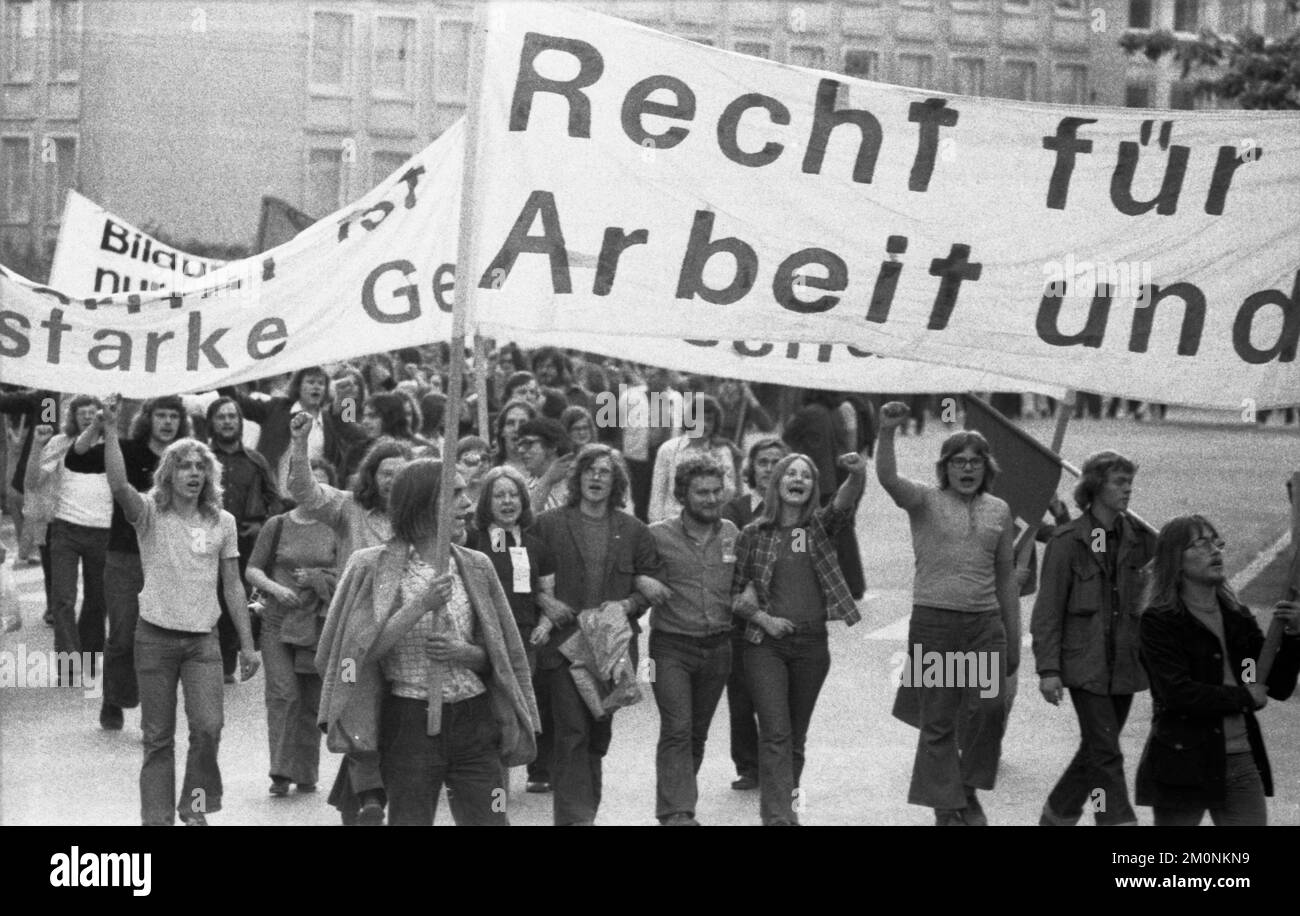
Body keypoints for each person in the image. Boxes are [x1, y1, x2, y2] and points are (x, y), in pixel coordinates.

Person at [315, 459, 540, 825]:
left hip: (474, 720)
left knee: (492, 819)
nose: (468, 504)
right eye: (454, 494)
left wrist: (469, 654)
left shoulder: (478, 565)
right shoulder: (371, 566)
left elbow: (502, 654)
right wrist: (418, 607)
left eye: (466, 493)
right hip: (409, 723)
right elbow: (355, 657)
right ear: (422, 504)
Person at [101, 395, 260, 826]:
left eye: (200, 466)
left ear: (209, 474)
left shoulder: (222, 521)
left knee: (208, 728)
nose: (193, 473)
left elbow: (232, 584)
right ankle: (157, 820)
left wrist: (248, 646)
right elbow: (118, 485)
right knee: (158, 739)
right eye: (185, 466)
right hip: (154, 639)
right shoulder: (149, 513)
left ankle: (194, 806)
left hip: (202, 642)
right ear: (169, 474)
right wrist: (111, 430)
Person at [876, 400, 1018, 826]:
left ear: (986, 467)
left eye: (975, 462)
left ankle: (966, 789)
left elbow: (1007, 579)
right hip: (935, 624)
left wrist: (1013, 640)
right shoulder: (924, 500)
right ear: (946, 468)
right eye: (959, 462)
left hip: (984, 626)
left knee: (991, 709)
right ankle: (947, 805)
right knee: (937, 719)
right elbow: (886, 477)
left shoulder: (1000, 510)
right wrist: (886, 432)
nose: (968, 469)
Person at [287, 412, 413, 824]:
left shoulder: (419, 519)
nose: (392, 480)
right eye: (385, 472)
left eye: (401, 473)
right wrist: (301, 441)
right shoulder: (349, 508)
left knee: (389, 723)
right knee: (356, 711)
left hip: (405, 629)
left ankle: (357, 804)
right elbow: (303, 490)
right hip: (354, 633)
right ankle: (372, 797)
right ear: (371, 475)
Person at [1134, 515, 1300, 826]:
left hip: (1240, 760)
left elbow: (1275, 685)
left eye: (1216, 542)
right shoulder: (1159, 621)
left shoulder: (1236, 615)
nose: (1215, 551)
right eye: (1201, 544)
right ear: (1176, 560)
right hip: (1183, 761)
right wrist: (1242, 697)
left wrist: (1293, 637)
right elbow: (1176, 693)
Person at [731, 450, 867, 826]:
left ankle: (786, 810)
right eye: (790, 473)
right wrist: (762, 618)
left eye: (805, 475)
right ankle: (778, 820)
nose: (797, 480)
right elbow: (732, 595)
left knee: (794, 740)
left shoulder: (819, 529)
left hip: (811, 645)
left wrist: (857, 474)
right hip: (766, 645)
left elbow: (843, 503)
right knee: (775, 734)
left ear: (812, 488)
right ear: (776, 484)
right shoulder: (752, 534)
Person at [531, 443, 662, 825]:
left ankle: (584, 812)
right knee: (571, 733)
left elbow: (652, 583)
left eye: (605, 471)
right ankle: (576, 819)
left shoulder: (634, 531)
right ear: (577, 478)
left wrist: (630, 604)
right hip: (563, 648)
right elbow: (522, 570)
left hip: (612, 651)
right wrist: (543, 600)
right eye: (589, 470)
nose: (596, 477)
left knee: (596, 738)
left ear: (616, 481)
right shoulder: (550, 524)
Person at [1032, 450, 1155, 827]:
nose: (1128, 490)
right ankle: (1117, 821)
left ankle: (1059, 812)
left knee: (1096, 749)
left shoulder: (1140, 540)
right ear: (1096, 486)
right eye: (1120, 482)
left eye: (1130, 482)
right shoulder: (1068, 541)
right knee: (1106, 753)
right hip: (1084, 665)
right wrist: (1048, 669)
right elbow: (1048, 611)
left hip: (1123, 665)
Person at [641, 455, 738, 825]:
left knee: (696, 733)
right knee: (677, 727)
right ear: (683, 495)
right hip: (671, 647)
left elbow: (747, 580)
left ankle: (681, 801)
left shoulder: (732, 532)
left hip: (718, 647)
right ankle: (676, 813)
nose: (712, 499)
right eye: (702, 493)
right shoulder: (657, 535)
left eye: (717, 491)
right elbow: (633, 570)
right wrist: (641, 582)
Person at [245, 458, 340, 797]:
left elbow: (349, 573)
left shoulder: (338, 527)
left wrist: (318, 580)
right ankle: (281, 771)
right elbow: (253, 569)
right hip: (277, 622)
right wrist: (275, 589)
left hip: (318, 624)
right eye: (306, 479)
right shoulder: (278, 524)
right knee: (283, 694)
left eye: (320, 481)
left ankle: (306, 772)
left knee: (311, 699)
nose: (312, 486)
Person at [463, 464, 557, 794]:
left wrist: (545, 625)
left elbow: (548, 596)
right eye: (499, 495)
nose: (507, 501)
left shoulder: (538, 547)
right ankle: (485, 784)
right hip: (479, 640)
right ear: (486, 502)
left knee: (509, 712)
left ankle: (498, 783)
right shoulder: (471, 542)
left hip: (522, 643)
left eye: (513, 494)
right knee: (482, 712)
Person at [100, 396, 190, 731]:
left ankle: (154, 712)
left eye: (173, 416)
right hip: (125, 554)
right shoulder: (129, 450)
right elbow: (110, 478)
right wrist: (108, 427)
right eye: (161, 416)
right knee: (123, 633)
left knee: (159, 637)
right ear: (148, 419)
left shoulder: (187, 458)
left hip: (168, 558)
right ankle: (114, 696)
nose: (167, 422)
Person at [719, 436, 787, 791]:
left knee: (777, 698)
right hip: (741, 620)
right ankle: (747, 765)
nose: (770, 469)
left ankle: (778, 763)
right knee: (742, 697)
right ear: (751, 468)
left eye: (778, 462)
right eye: (763, 462)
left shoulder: (797, 508)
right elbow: (728, 560)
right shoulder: (736, 509)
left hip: (784, 616)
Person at [207, 397, 284, 682]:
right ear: (211, 423)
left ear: (240, 422)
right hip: (204, 540)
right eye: (221, 416)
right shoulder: (202, 458)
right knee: (206, 597)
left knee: (233, 601)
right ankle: (203, 658)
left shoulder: (256, 461)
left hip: (243, 544)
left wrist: (261, 527)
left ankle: (227, 660)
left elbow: (274, 501)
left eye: (232, 416)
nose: (227, 421)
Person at [34, 396, 111, 671]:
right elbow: (34, 479)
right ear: (73, 417)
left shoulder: (111, 443)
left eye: (93, 413)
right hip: (64, 528)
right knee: (62, 598)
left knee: (97, 598)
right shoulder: (59, 443)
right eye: (83, 413)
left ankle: (89, 656)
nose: (88, 417)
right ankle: (68, 663)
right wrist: (36, 446)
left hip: (103, 530)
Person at [647, 394, 738, 524]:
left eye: (709, 420)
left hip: (707, 523)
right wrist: (656, 527)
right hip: (672, 521)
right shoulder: (669, 449)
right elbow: (657, 493)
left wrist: (718, 464)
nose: (704, 425)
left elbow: (728, 495)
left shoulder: (722, 451)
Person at [517, 417, 572, 515]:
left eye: (528, 444)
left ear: (552, 446)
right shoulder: (521, 490)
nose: (520, 450)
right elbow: (525, 522)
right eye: (520, 445)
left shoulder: (579, 483)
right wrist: (547, 480)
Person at [492, 398, 536, 474]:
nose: (517, 429)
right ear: (502, 431)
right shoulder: (489, 466)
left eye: (523, 423)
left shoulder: (545, 469)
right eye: (510, 423)